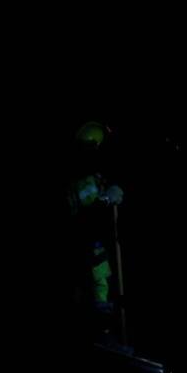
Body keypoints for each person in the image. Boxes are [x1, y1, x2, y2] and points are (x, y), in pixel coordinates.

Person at [68, 121, 125, 336]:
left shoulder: (94, 173)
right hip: (83, 243)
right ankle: (99, 331)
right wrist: (105, 199)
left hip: (96, 241)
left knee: (102, 285)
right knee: (96, 286)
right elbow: (81, 213)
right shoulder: (78, 177)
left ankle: (104, 329)